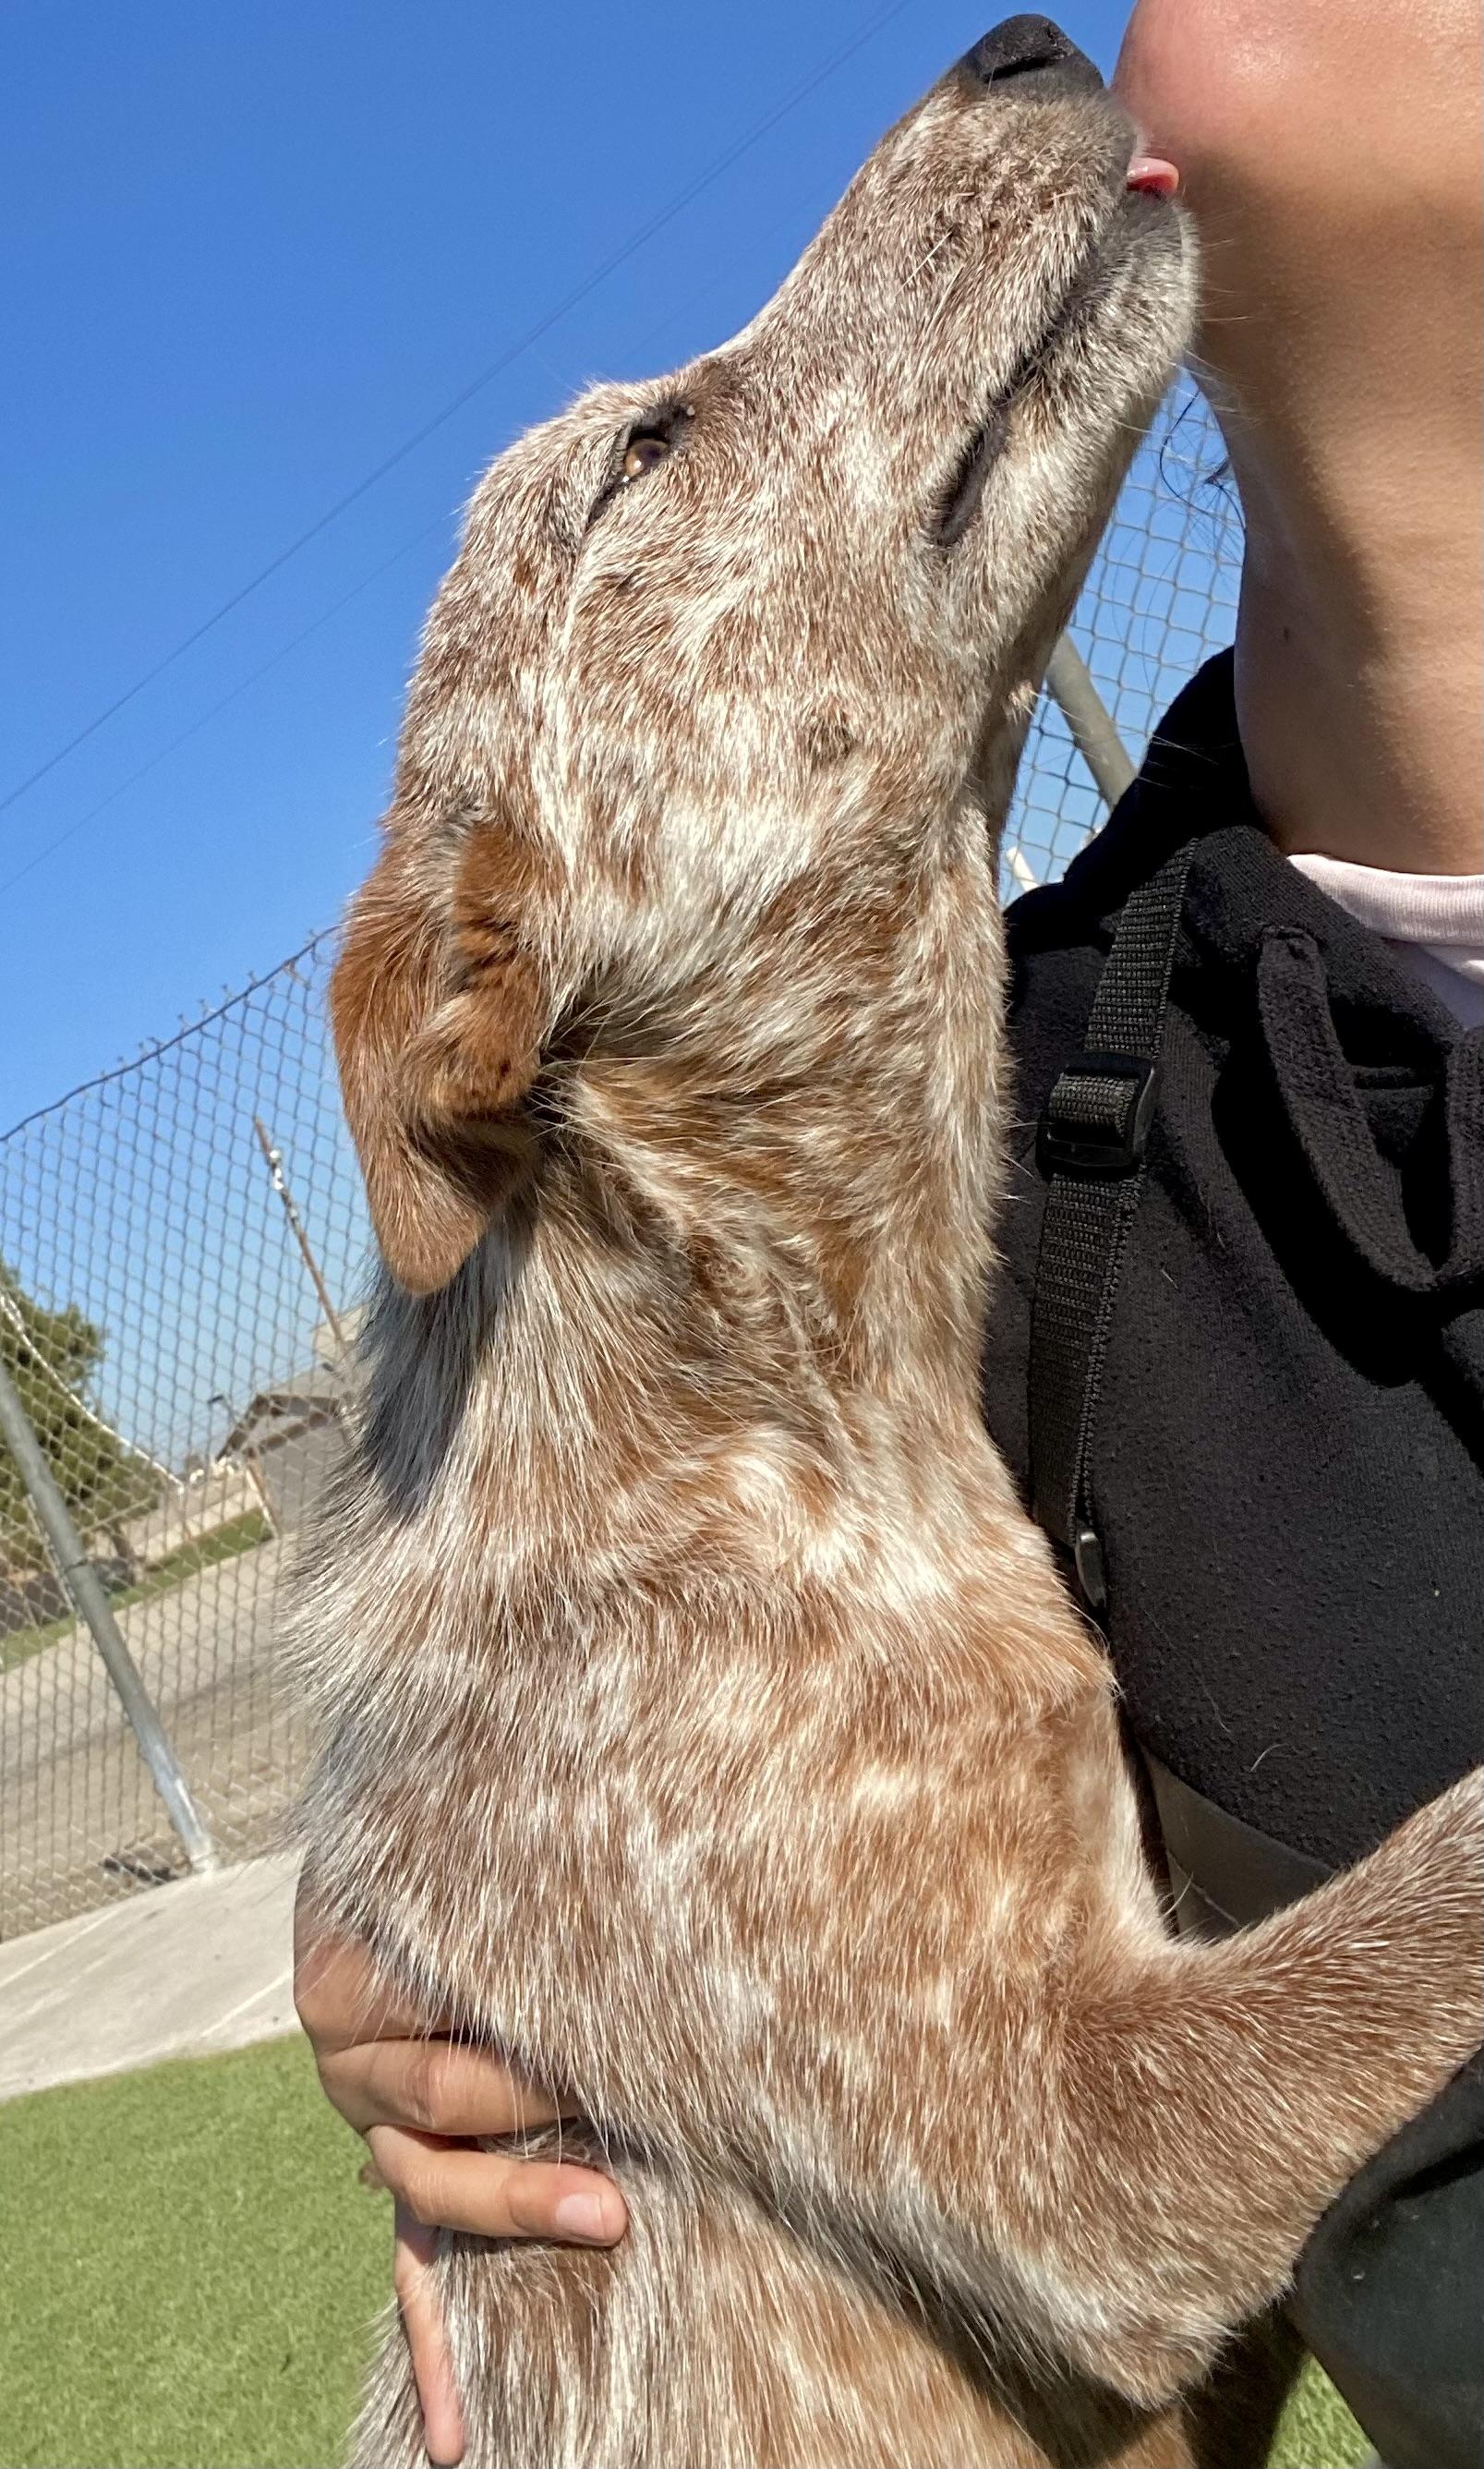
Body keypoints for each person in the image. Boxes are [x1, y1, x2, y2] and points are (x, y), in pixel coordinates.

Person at [294, 3, 1484, 2461]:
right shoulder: (1080, 1165)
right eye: (660, 453)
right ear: (491, 986)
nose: (1065, 40)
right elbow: (1104, 2199)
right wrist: (407, 1894)